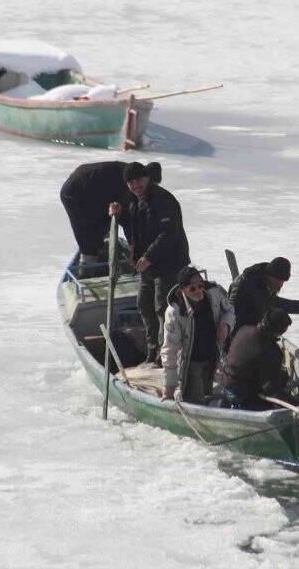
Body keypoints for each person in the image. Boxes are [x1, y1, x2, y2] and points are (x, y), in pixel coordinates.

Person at [109, 162, 190, 365]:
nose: (135, 185)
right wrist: (120, 216)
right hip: (148, 266)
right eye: (131, 182)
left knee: (163, 308)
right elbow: (134, 229)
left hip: (169, 264)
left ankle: (166, 357)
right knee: (144, 304)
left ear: (147, 178)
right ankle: (153, 352)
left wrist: (149, 256)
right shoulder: (135, 201)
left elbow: (169, 233)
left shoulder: (163, 200)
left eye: (139, 180)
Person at [60, 161, 161, 276]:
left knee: (103, 229)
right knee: (88, 239)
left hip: (91, 188)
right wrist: (135, 250)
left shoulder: (132, 175)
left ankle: (97, 256)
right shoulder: (133, 185)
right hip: (77, 192)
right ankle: (86, 274)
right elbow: (129, 220)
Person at [159, 266, 234, 404]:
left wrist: (225, 325)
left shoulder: (214, 293)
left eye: (200, 285)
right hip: (191, 362)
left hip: (213, 357)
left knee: (209, 393)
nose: (198, 291)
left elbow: (229, 311)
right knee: (196, 399)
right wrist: (169, 384)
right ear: (182, 289)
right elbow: (170, 348)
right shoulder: (175, 312)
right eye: (192, 288)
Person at [219, 308, 295, 410]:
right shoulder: (269, 350)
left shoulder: (244, 329)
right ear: (279, 331)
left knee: (282, 376)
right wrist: (293, 405)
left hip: (225, 383)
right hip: (241, 395)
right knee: (282, 378)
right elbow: (270, 387)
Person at [227, 256, 299, 340]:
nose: (281, 285)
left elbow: (273, 302)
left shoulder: (263, 284)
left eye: (283, 282)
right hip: (238, 338)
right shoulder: (245, 286)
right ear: (270, 276)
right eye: (279, 281)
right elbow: (232, 317)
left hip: (251, 332)